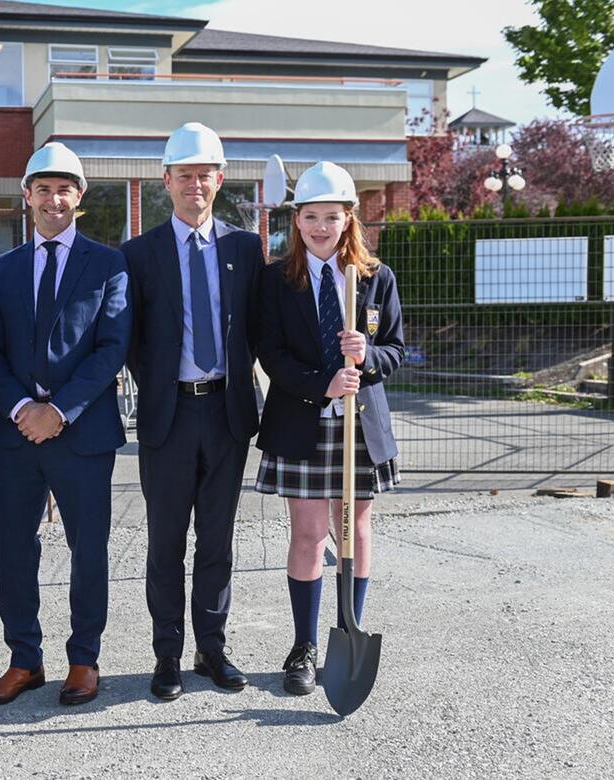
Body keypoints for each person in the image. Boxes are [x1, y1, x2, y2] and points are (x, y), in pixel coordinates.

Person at [0, 142, 131, 708]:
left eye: (64, 187)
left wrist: (59, 411)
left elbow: (111, 347)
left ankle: (83, 660)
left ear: (79, 197)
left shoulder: (109, 264)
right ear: (27, 196)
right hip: (16, 434)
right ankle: (24, 660)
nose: (53, 197)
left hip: (82, 432)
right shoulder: (5, 269)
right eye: (43, 187)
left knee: (88, 548)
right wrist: (22, 409)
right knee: (15, 548)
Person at [121, 123, 263, 700]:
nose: (195, 184)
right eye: (184, 175)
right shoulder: (139, 253)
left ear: (219, 179)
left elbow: (262, 325)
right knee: (165, 542)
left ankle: (212, 648)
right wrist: (154, 383)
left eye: (205, 174)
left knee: (217, 540)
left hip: (226, 414)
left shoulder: (245, 249)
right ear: (167, 181)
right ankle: (167, 655)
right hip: (169, 416)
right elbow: (128, 335)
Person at [254, 161, 404, 697]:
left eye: (332, 216)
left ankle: (350, 630)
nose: (321, 226)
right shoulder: (276, 280)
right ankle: (304, 645)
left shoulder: (373, 277)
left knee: (354, 533)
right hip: (304, 422)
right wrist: (323, 383)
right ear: (297, 221)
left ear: (349, 219)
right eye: (311, 216)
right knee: (308, 534)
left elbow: (397, 350)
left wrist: (367, 360)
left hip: (359, 430)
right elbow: (268, 352)